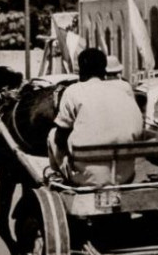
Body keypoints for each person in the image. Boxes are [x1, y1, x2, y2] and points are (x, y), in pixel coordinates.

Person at [49, 47, 144, 187]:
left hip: (87, 177)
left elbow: (60, 138)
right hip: (124, 174)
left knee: (52, 134)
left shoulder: (73, 91)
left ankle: (60, 175)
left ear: (80, 70)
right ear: (104, 69)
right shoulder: (124, 89)